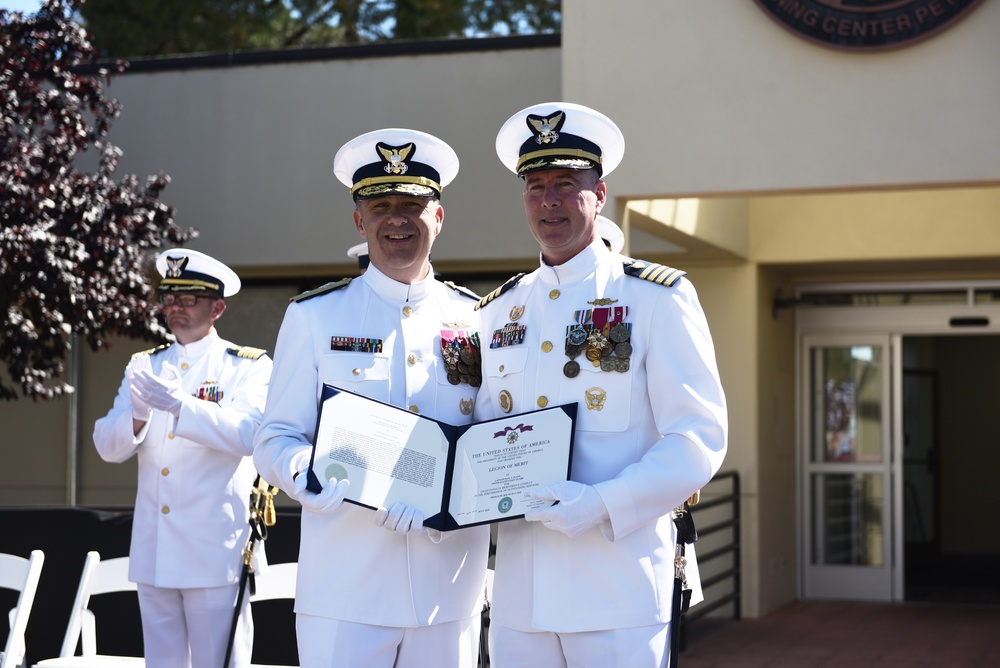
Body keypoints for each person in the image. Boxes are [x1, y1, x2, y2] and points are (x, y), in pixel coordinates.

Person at [474, 102, 728, 667]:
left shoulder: (656, 297)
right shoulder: (500, 311)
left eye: (566, 183)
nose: (550, 201)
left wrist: (602, 504)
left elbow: (699, 436)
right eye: (535, 186)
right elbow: (484, 433)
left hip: (617, 591)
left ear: (599, 192)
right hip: (521, 596)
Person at [253, 128, 490, 668]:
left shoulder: (481, 317)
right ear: (360, 222)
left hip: (447, 587)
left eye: (412, 204)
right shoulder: (314, 316)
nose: (397, 219)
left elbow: (493, 433)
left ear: (439, 217)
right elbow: (274, 438)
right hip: (344, 589)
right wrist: (315, 475)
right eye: (381, 206)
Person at [93, 248, 272, 668]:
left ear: (218, 307)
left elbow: (250, 435)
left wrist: (181, 407)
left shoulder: (246, 366)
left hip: (214, 550)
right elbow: (106, 446)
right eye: (169, 297)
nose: (175, 307)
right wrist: (137, 417)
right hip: (156, 549)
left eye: (188, 298)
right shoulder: (146, 364)